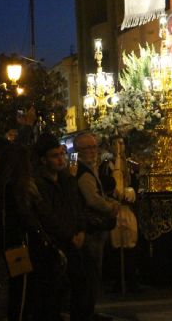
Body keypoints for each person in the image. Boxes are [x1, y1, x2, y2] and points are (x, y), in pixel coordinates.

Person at [32, 133, 91, 320]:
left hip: (75, 241)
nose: (60, 159)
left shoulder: (66, 180)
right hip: (57, 245)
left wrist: (81, 229)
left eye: (61, 154)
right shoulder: (39, 184)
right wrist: (68, 235)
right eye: (55, 156)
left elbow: (77, 205)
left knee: (81, 287)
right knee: (54, 294)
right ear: (43, 160)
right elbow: (48, 215)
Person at [74, 132, 118, 316]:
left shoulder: (89, 169)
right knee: (90, 272)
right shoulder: (83, 172)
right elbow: (92, 199)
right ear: (79, 151)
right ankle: (86, 312)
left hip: (94, 229)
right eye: (88, 148)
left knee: (93, 272)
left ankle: (89, 310)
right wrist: (110, 207)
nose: (93, 151)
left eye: (94, 147)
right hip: (91, 231)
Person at [99, 136, 139, 294]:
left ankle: (131, 279)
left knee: (131, 244)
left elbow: (136, 182)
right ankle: (117, 279)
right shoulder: (106, 166)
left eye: (121, 143)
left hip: (127, 210)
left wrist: (132, 192)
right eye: (116, 143)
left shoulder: (131, 165)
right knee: (115, 245)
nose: (119, 146)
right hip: (114, 210)